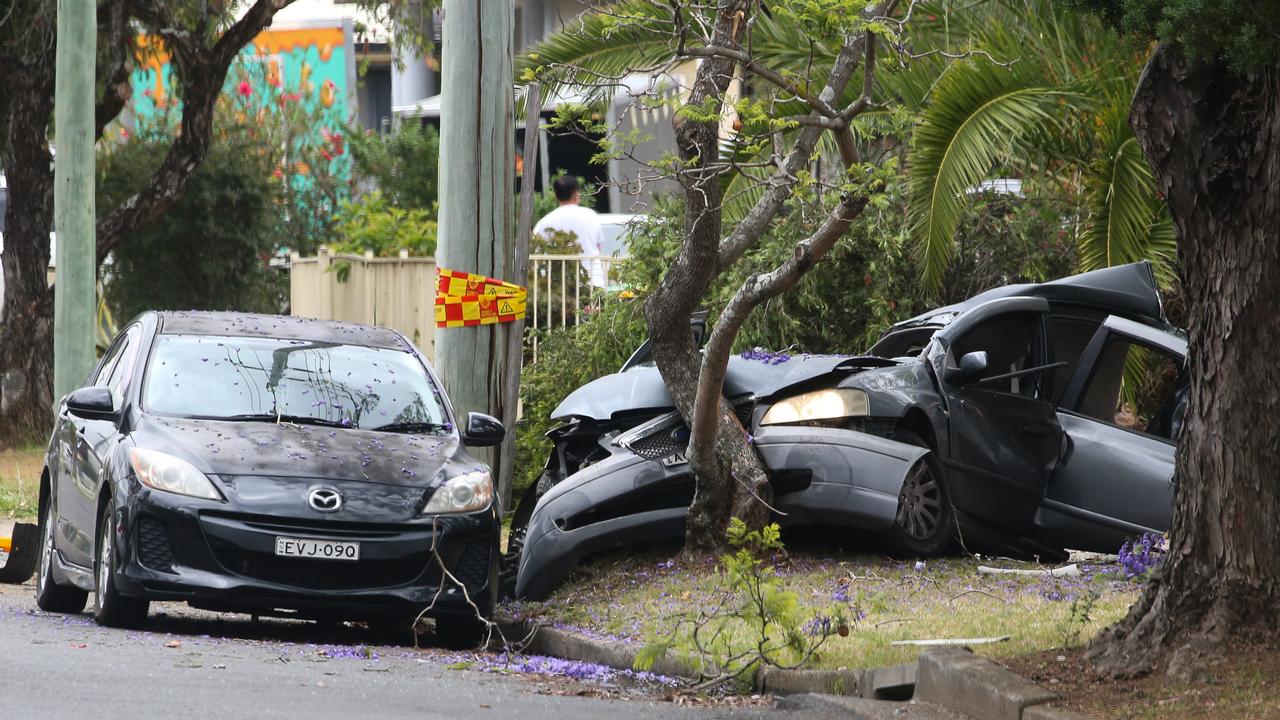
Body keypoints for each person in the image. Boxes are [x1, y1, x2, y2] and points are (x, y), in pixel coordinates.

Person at [532, 175, 608, 289]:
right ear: (576, 194)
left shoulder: (545, 221)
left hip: (560, 287)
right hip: (593, 281)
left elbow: (535, 250)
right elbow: (599, 246)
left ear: (556, 196)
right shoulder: (590, 215)